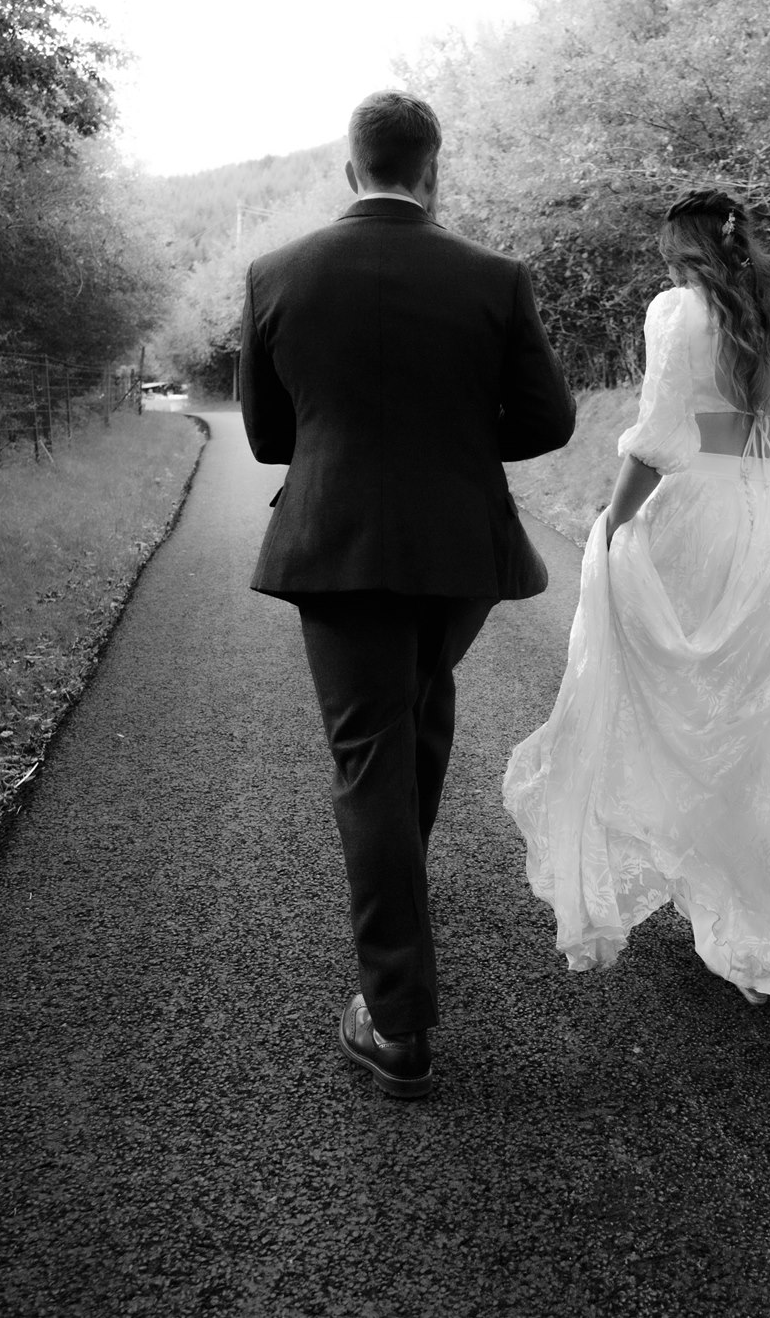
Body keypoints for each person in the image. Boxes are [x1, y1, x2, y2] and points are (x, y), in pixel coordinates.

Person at [503, 189, 770, 1015]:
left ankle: (698, 860)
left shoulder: (676, 314)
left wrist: (613, 522)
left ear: (687, 255)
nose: (666, 271)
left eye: (670, 257)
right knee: (766, 720)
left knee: (676, 699)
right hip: (767, 526)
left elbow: (660, 440)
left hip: (693, 516)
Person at [239, 91, 575, 1098]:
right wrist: (458, 443)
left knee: (372, 753)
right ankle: (401, 912)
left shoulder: (276, 273)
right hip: (459, 548)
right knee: (418, 712)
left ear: (351, 170)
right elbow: (550, 418)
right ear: (433, 171)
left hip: (336, 542)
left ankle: (394, 1025)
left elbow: (265, 438)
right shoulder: (492, 278)